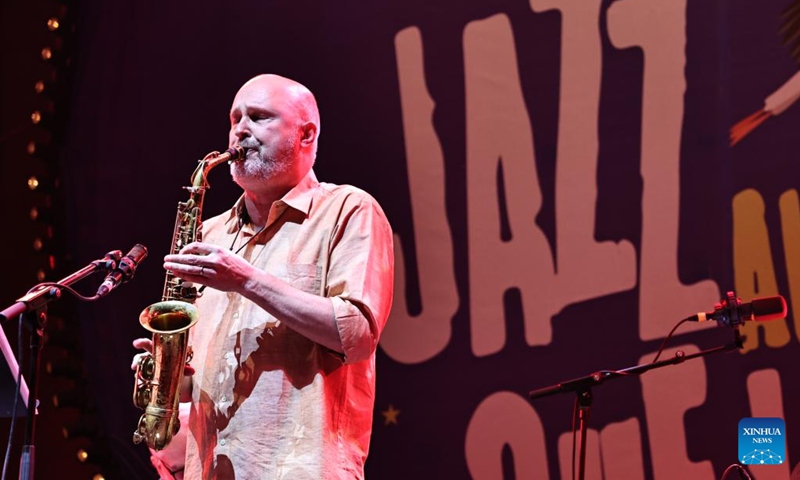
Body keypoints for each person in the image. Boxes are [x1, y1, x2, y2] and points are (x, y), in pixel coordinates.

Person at [132, 73, 395, 479]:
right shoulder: (210, 234)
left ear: (306, 134)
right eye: (235, 118)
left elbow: (356, 334)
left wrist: (245, 279)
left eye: (259, 117)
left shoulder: (348, 209)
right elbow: (201, 385)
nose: (240, 130)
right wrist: (172, 380)